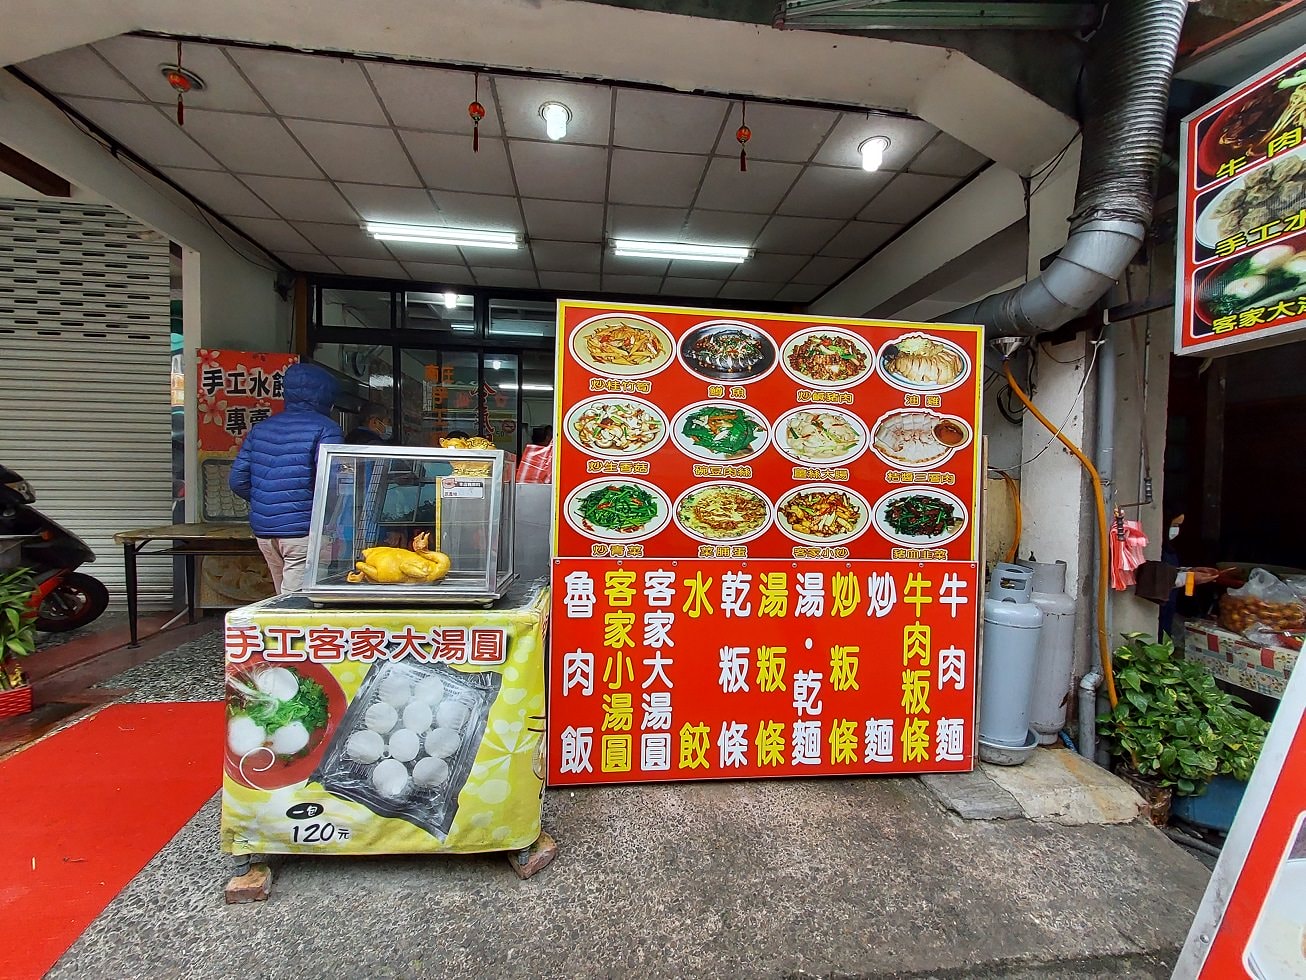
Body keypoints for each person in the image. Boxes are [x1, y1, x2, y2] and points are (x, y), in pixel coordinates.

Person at [230, 362, 343, 594]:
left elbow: (237, 480)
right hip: (303, 531)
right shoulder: (326, 428)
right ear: (325, 396)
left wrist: (268, 502)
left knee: (281, 596)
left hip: (265, 532)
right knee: (295, 602)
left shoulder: (261, 428)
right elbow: (330, 482)